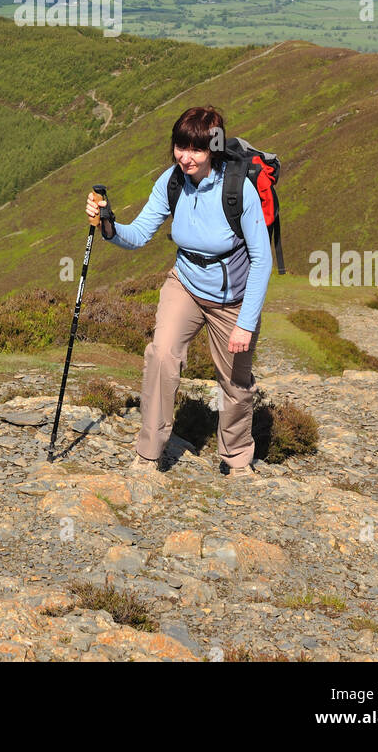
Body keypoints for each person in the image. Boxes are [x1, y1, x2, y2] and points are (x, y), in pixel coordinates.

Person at [85, 104, 272, 479]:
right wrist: (109, 225)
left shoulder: (239, 190)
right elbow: (137, 235)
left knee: (235, 381)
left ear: (213, 149)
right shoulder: (171, 182)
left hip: (231, 298)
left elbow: (261, 260)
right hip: (185, 283)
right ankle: (149, 454)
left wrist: (245, 324)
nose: (185, 157)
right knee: (161, 356)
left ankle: (236, 460)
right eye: (180, 146)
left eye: (196, 149)